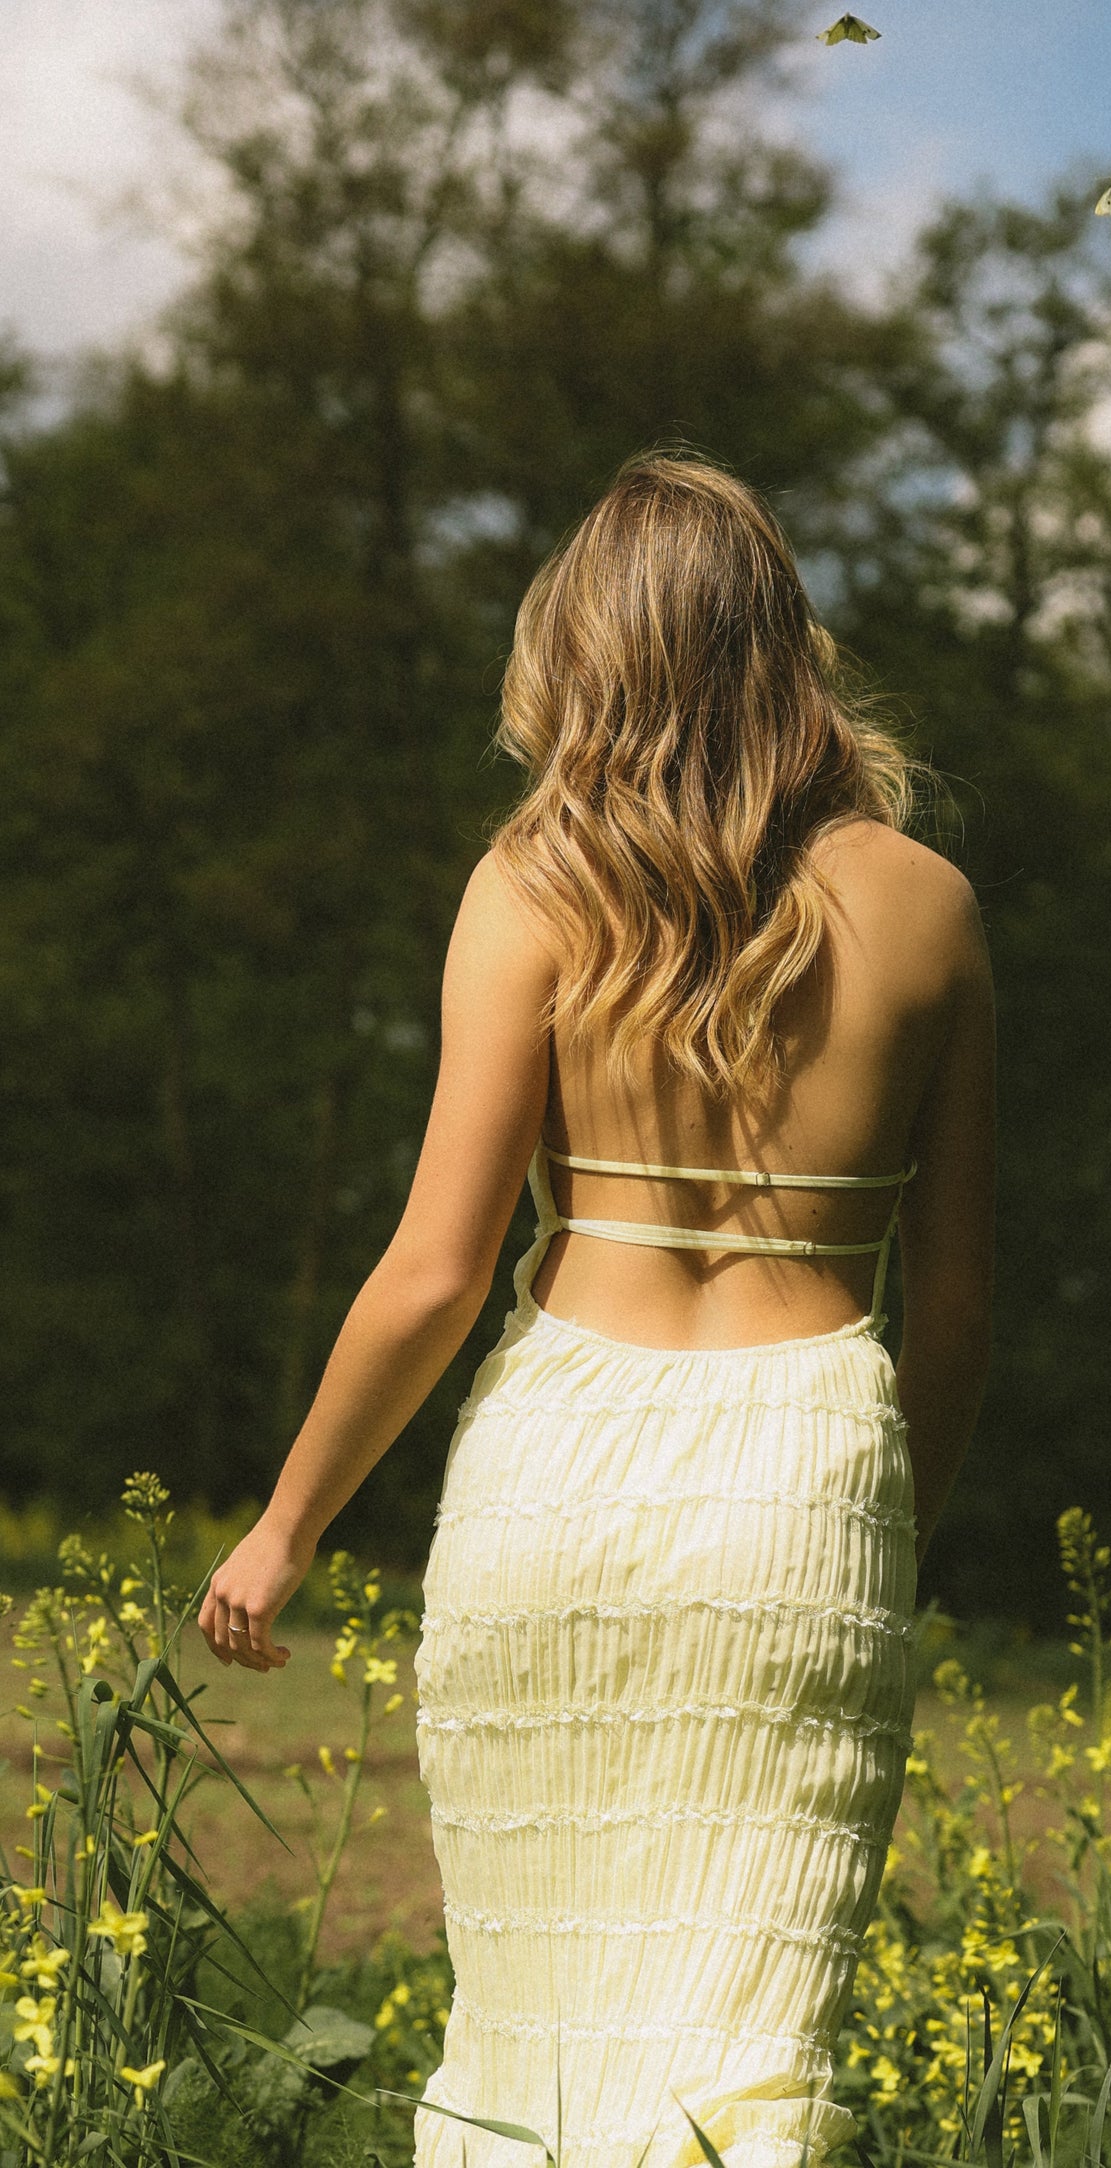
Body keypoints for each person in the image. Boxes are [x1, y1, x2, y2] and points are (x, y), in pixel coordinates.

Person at [199, 451, 995, 2168]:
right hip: (804, 1473)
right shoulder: (929, 907)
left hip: (554, 1476)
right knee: (748, 2063)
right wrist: (881, 1531)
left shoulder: (532, 886)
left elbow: (433, 1270)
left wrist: (287, 1525)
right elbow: (963, 1301)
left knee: (533, 2045)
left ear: (581, 651)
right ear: (787, 645)